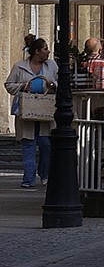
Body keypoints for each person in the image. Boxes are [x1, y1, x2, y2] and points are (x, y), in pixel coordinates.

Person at [6, 38, 58, 188]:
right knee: (28, 144)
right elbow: (9, 85)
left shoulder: (51, 66)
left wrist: (53, 85)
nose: (48, 51)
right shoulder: (19, 67)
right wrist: (23, 87)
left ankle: (45, 175)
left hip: (44, 110)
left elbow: (60, 82)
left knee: (45, 144)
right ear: (37, 51)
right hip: (26, 110)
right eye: (45, 49)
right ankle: (28, 179)